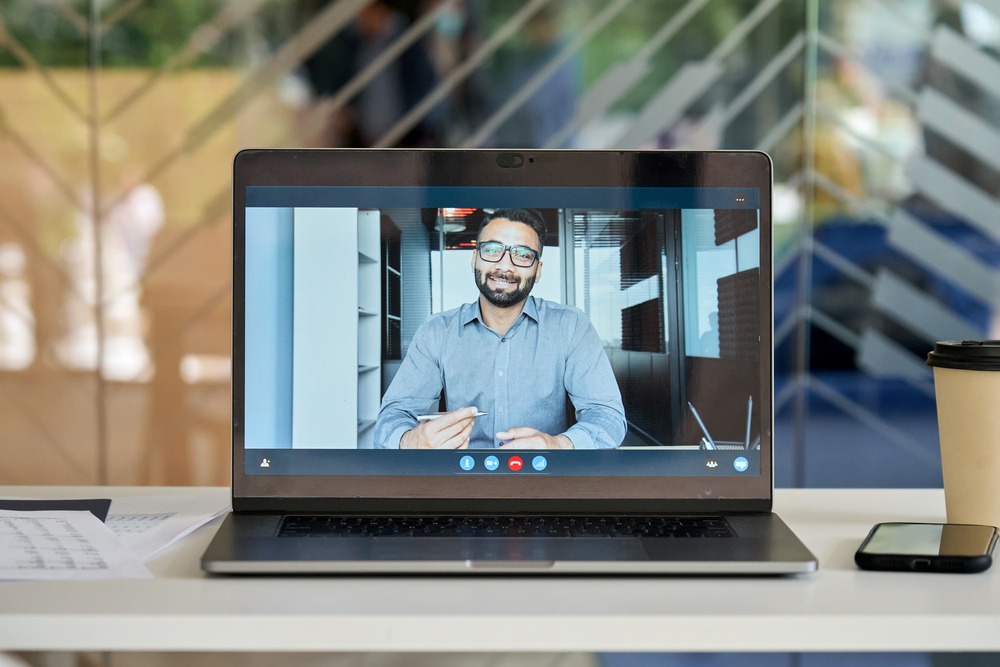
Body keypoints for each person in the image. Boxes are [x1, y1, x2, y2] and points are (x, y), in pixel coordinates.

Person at [374, 208, 626, 449]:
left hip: (543, 477)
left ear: (537, 271)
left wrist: (557, 444)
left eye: (523, 254)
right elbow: (392, 416)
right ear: (475, 258)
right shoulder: (436, 331)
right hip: (462, 479)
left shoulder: (571, 326)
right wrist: (410, 440)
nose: (505, 266)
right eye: (492, 250)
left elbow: (608, 416)